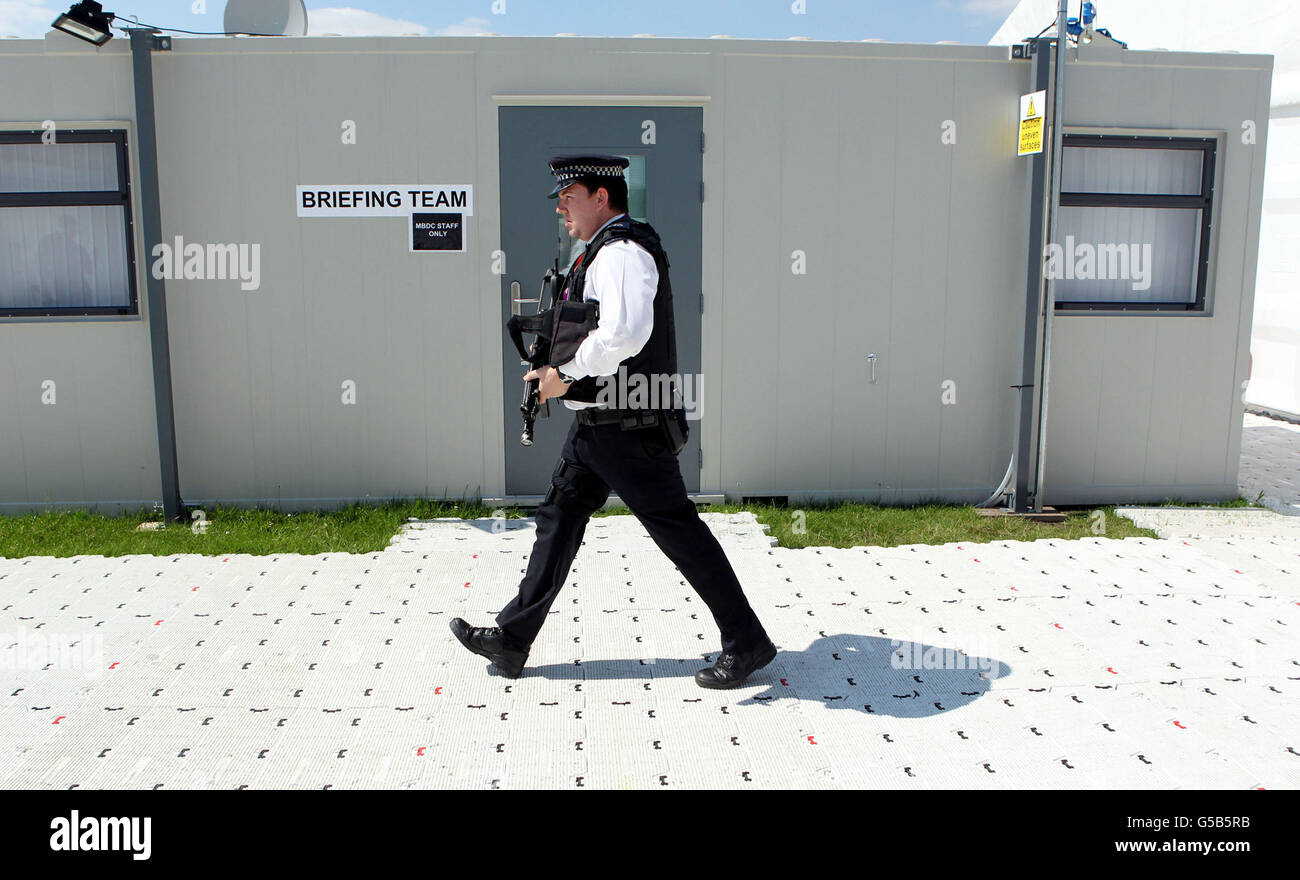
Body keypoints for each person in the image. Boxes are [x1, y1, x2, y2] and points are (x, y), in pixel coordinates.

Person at [450, 154, 776, 688]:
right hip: (603, 423)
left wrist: (565, 374)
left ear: (601, 197)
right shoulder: (598, 251)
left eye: (568, 196)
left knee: (678, 533)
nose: (561, 208)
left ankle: (747, 643)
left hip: (630, 426)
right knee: (558, 517)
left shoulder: (623, 253)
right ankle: (512, 642)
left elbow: (626, 335)